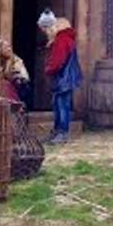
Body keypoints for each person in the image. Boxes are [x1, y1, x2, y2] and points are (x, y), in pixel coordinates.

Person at [41, 11, 82, 144]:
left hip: (63, 78)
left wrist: (48, 69)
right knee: (59, 105)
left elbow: (58, 61)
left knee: (62, 106)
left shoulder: (62, 40)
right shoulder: (67, 39)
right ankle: (57, 132)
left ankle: (62, 133)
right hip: (65, 78)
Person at [0, 38, 30, 106]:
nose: (9, 49)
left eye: (9, 47)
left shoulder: (16, 61)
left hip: (16, 88)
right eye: (5, 47)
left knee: (5, 84)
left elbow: (23, 77)